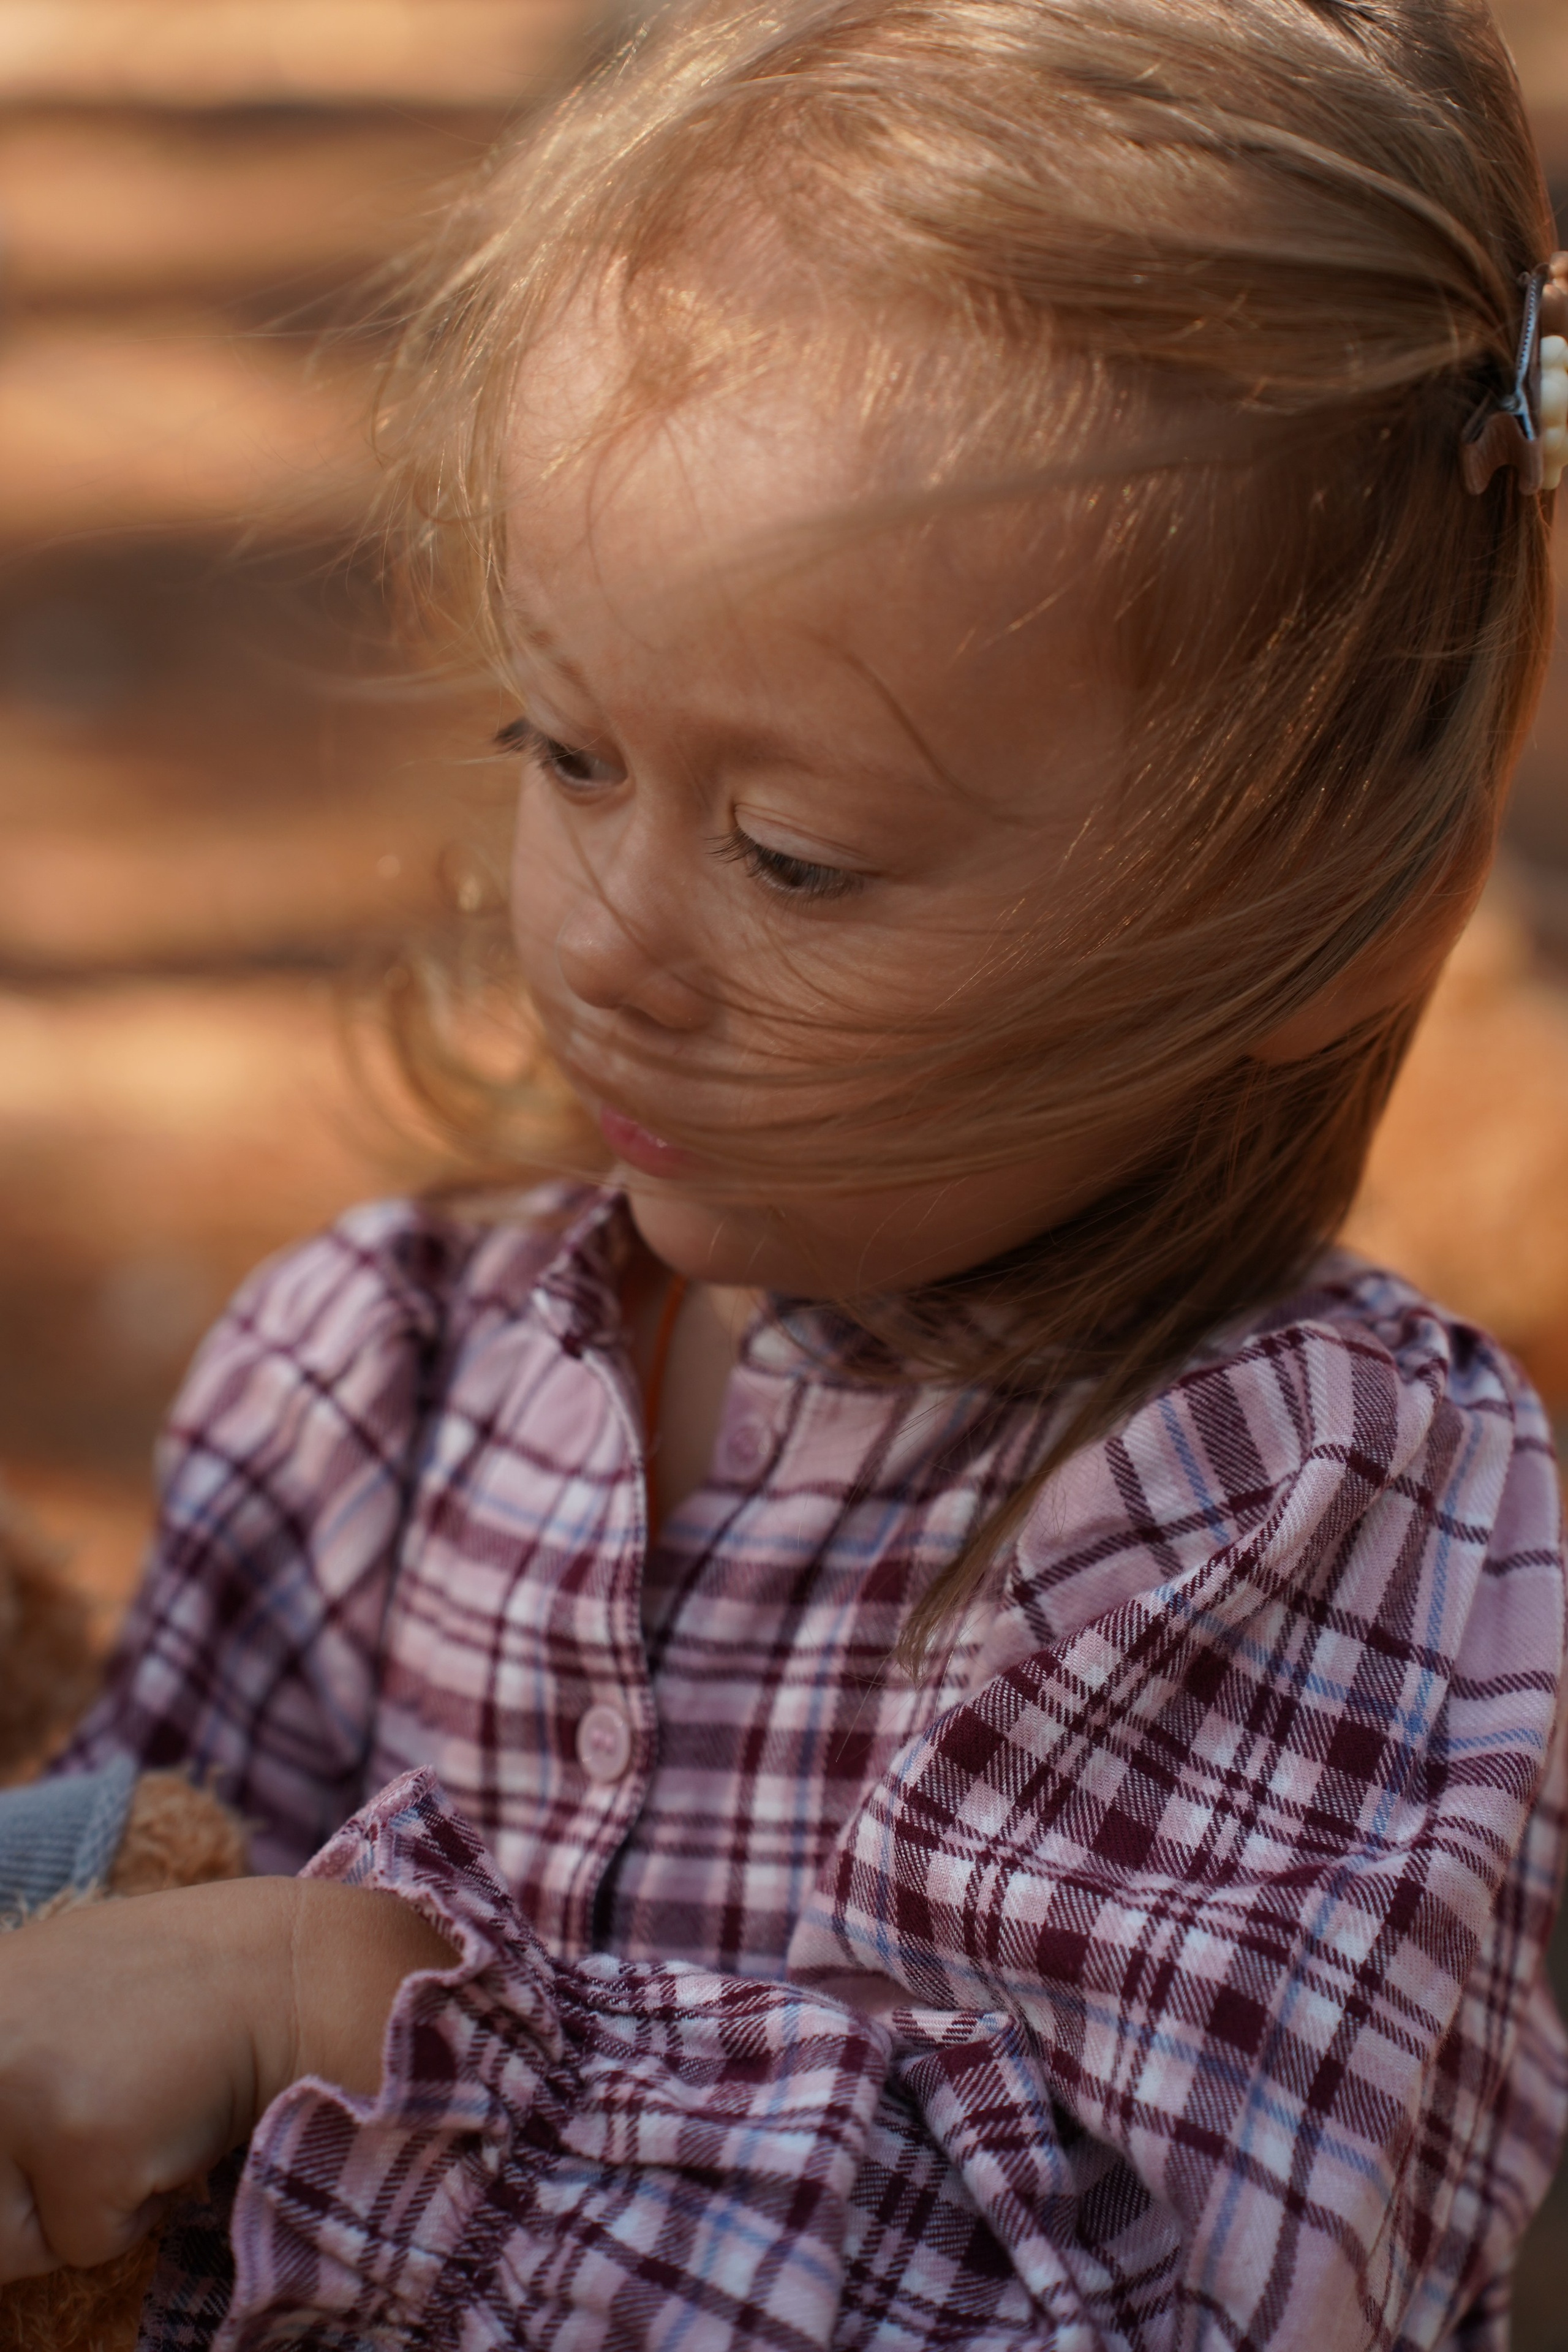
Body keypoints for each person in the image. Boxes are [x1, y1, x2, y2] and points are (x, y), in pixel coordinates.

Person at [1, 0, 1564, 2343]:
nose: (609, 940)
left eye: (801, 859)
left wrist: (330, 2014)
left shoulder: (1322, 1509)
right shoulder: (369, 1375)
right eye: (570, 749)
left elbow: (1125, 2284)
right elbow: (102, 1995)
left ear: (1312, 922)